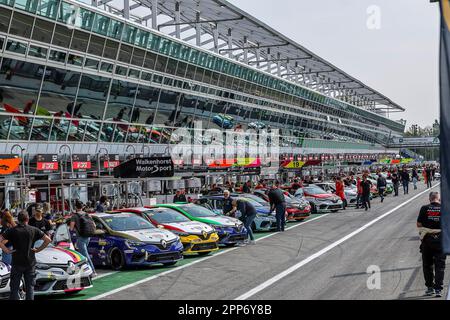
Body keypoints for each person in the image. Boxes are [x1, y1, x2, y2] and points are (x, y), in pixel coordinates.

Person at [0, 211, 51, 300]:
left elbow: (0, 240)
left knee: (14, 288)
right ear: (27, 219)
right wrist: (38, 250)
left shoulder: (12, 230)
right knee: (30, 288)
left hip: (17, 262)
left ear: (18, 220)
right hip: (30, 263)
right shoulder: (34, 229)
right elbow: (48, 240)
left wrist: (7, 250)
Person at [417, 192, 445, 297]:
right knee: (440, 266)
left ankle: (430, 288)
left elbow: (418, 224)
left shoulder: (424, 208)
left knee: (427, 265)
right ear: (439, 199)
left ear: (430, 199)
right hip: (441, 240)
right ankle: (438, 289)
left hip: (427, 240)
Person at [69, 201, 96, 277]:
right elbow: (94, 225)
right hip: (88, 236)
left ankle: (92, 271)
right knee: (82, 254)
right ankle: (84, 271)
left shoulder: (74, 216)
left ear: (75, 207)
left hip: (80, 237)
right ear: (82, 207)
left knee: (84, 255)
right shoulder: (87, 214)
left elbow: (71, 228)